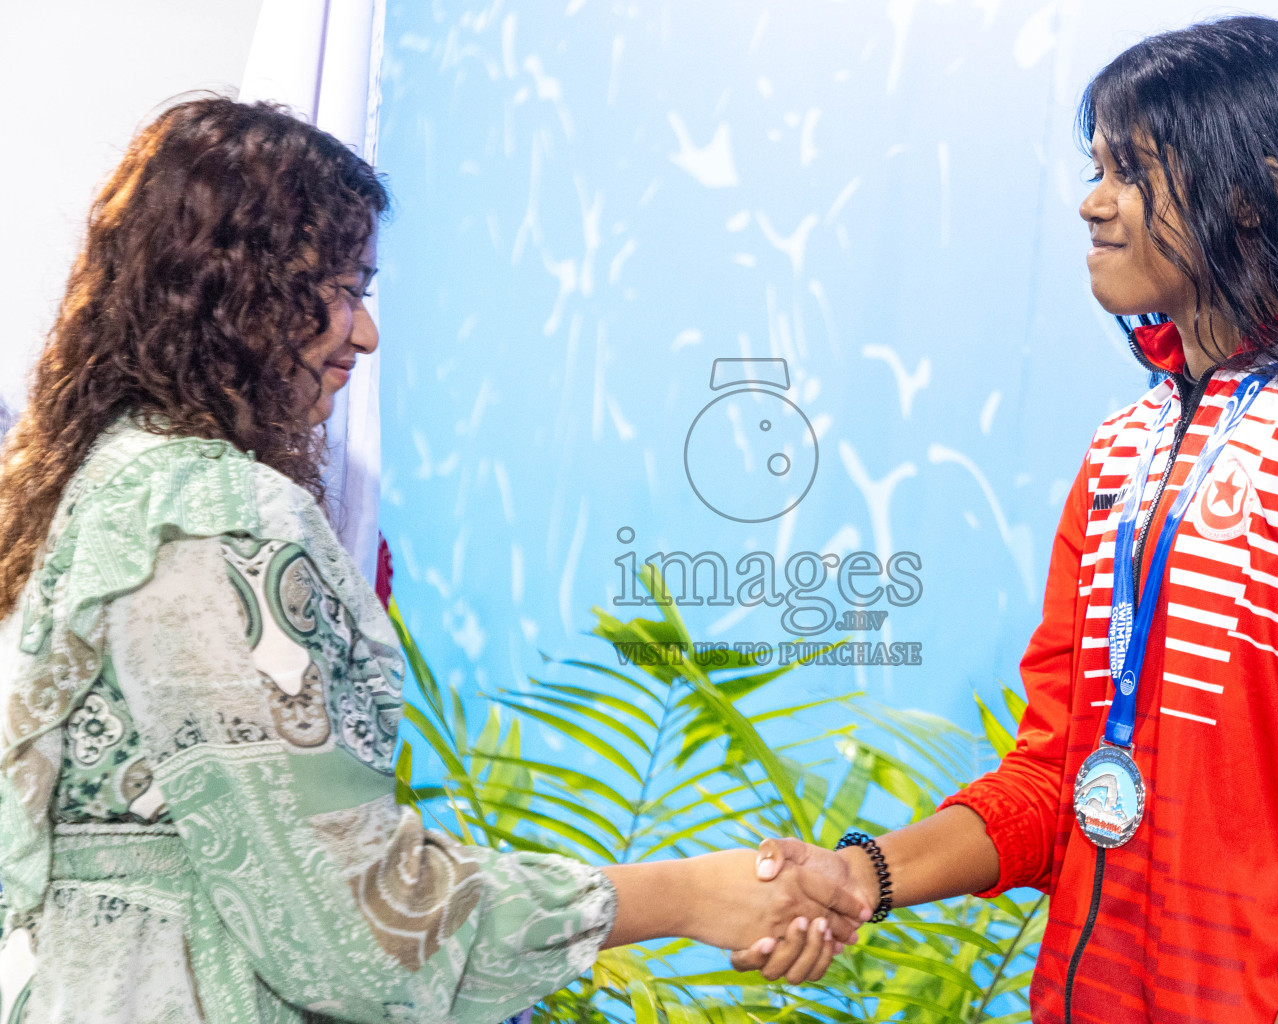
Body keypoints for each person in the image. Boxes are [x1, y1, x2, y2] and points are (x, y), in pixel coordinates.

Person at [0, 97, 862, 1024]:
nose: (363, 335)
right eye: (341, 289)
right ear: (235, 290)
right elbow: (340, 921)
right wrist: (684, 895)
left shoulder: (95, 490)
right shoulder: (210, 511)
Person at [743, 17, 1278, 1024]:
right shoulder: (1124, 450)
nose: (1092, 203)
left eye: (1131, 172)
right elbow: (1058, 779)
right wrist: (858, 875)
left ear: (1257, 193)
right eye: (1096, 168)